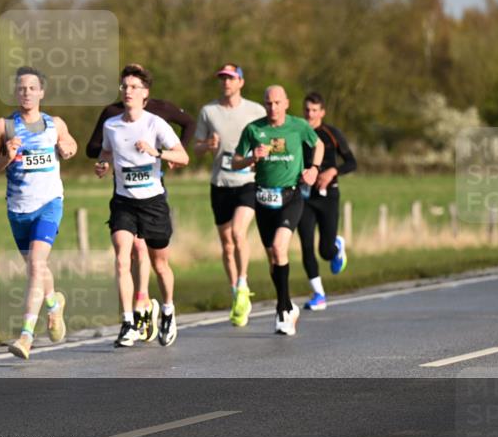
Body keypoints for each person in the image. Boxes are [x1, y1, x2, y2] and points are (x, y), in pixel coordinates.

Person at [86, 70, 194, 340]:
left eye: (134, 87)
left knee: (160, 264)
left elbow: (183, 157)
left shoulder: (155, 124)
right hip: (124, 202)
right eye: (124, 86)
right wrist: (103, 164)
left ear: (145, 93)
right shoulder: (111, 125)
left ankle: (168, 310)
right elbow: (106, 151)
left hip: (153, 202)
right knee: (123, 259)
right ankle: (127, 322)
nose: (128, 91)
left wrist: (156, 152)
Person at [0, 66, 77, 360]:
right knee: (37, 268)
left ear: (41, 93)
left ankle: (26, 335)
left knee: (36, 265)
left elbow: (70, 145)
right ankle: (53, 304)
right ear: (15, 92)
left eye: (32, 88)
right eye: (21, 88)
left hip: (49, 203)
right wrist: (6, 158)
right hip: (18, 208)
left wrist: (67, 148)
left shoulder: (54, 124)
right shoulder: (4, 126)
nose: (26, 93)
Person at [232, 85, 323, 337]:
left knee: (281, 247)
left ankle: (282, 309)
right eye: (268, 103)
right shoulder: (254, 129)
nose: (272, 108)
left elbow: (319, 145)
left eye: (276, 103)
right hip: (263, 198)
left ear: (286, 103)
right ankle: (287, 304)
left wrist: (314, 168)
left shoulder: (298, 126)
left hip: (291, 196)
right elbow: (234, 161)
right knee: (273, 257)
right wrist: (252, 158)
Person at [193, 63, 266, 327]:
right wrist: (206, 145)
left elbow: (268, 137)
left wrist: (261, 155)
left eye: (230, 78)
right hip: (220, 183)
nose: (225, 82)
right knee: (226, 243)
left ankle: (244, 283)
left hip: (247, 181)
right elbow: (197, 148)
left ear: (240, 82)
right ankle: (236, 291)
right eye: (222, 78)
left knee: (238, 233)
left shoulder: (256, 111)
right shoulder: (208, 111)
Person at [298, 92, 356, 310]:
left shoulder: (331, 134)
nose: (310, 114)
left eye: (314, 110)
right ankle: (318, 294)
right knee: (305, 246)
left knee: (324, 250)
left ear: (322, 112)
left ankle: (336, 247)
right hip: (304, 197)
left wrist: (332, 171)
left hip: (328, 196)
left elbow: (352, 162)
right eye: (306, 110)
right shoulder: (298, 133)